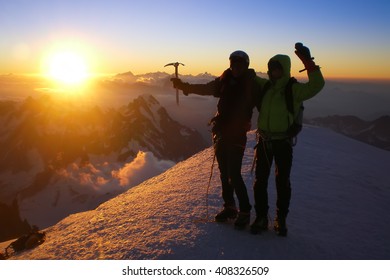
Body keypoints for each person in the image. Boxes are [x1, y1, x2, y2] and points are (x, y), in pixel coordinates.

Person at [171, 51, 261, 229]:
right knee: (224, 173)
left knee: (234, 174)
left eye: (239, 65)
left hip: (236, 135)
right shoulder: (224, 81)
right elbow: (205, 88)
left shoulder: (252, 84)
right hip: (221, 133)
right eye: (233, 65)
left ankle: (244, 211)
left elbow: (265, 104)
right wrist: (184, 87)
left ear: (245, 66)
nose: (236, 68)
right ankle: (230, 207)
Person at [251, 43, 325, 236]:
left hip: (282, 142)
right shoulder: (266, 86)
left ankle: (280, 218)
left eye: (277, 68)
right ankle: (260, 217)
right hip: (265, 141)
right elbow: (250, 78)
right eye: (271, 68)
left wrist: (308, 62)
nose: (273, 71)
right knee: (260, 181)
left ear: (284, 70)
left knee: (282, 181)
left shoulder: (294, 89)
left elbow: (317, 85)